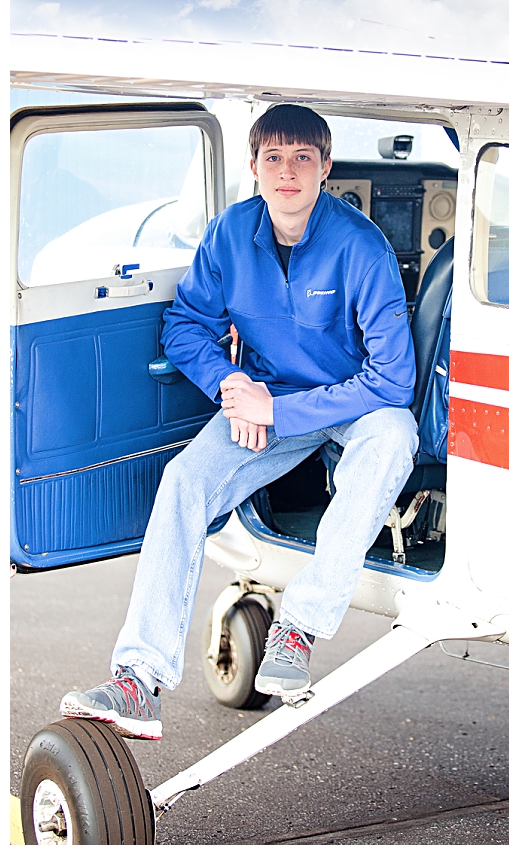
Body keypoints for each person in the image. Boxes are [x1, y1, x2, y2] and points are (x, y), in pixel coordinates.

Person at [60, 105, 419, 739]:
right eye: (274, 159)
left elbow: (392, 381)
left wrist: (279, 410)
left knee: (394, 437)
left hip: (351, 404)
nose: (288, 173)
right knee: (182, 482)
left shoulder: (361, 245)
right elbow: (185, 324)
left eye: (303, 158)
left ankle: (299, 627)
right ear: (253, 167)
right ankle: (138, 680)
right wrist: (234, 386)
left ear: (326, 167)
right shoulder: (229, 234)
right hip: (263, 400)